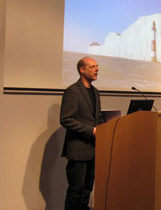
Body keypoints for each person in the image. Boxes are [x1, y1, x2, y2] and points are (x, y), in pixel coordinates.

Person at [60, 57, 101, 210]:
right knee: (76, 191)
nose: (97, 69)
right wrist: (91, 130)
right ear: (82, 70)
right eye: (92, 67)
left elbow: (93, 118)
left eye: (97, 66)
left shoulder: (96, 92)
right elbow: (66, 119)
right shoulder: (72, 91)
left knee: (87, 190)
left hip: (93, 149)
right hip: (78, 150)